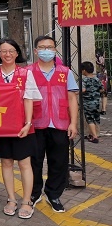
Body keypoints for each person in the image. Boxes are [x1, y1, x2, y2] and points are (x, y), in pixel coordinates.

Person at [0, 39, 41, 220]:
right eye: (3, 51)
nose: (7, 54)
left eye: (11, 51)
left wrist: (27, 124)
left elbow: (29, 99)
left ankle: (27, 201)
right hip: (2, 127)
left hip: (22, 127)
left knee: (24, 164)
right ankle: (11, 199)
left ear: (17, 53)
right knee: (6, 163)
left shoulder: (25, 73)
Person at [29, 35, 79, 213]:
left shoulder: (65, 72)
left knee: (59, 161)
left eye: (50, 47)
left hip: (60, 123)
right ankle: (34, 193)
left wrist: (73, 123)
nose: (46, 50)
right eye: (42, 47)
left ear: (55, 50)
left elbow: (72, 99)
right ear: (36, 51)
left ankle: (54, 194)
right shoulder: (28, 72)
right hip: (35, 123)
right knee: (34, 161)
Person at [81, 61, 102, 143]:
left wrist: (76, 92)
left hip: (88, 103)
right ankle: (93, 134)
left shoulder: (84, 80)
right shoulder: (97, 79)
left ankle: (94, 137)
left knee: (89, 119)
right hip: (97, 102)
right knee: (96, 118)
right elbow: (102, 89)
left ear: (84, 70)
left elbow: (83, 90)